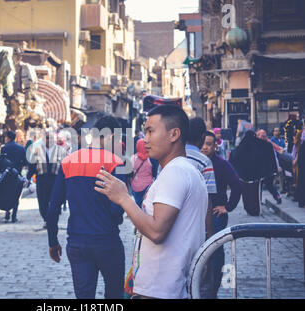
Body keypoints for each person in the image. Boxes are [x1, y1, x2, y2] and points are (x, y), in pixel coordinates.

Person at [95, 106, 208, 299]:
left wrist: (123, 198)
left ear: (174, 134)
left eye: (151, 131)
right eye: (145, 132)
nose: (145, 139)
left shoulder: (176, 172)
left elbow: (157, 231)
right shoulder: (183, 170)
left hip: (161, 289)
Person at [46, 115, 127, 299]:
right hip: (107, 241)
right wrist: (115, 219)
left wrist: (52, 241)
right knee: (114, 295)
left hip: (77, 243)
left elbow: (53, 208)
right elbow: (117, 208)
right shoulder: (115, 162)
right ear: (111, 137)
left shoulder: (68, 162)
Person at [201, 131, 242, 298]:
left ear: (215, 146)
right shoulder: (197, 162)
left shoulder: (221, 164)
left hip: (216, 214)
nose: (205, 147)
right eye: (203, 143)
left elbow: (237, 185)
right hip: (199, 215)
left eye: (209, 144)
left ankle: (213, 289)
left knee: (216, 251)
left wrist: (228, 207)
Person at [230, 130, 277, 216]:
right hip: (256, 175)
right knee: (255, 194)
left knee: (246, 194)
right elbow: (265, 154)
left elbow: (235, 159)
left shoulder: (241, 146)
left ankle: (248, 208)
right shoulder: (259, 145)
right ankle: (255, 210)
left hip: (243, 176)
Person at [27, 129, 67, 228]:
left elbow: (65, 167)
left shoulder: (61, 151)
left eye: (50, 138)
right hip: (42, 180)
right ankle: (46, 219)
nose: (48, 140)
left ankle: (53, 220)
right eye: (46, 138)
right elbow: (32, 165)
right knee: (43, 202)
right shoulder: (37, 150)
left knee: (55, 201)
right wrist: (28, 177)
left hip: (56, 180)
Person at [186, 117, 217, 239]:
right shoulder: (204, 162)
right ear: (203, 136)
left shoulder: (170, 158)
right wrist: (209, 232)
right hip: (195, 222)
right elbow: (208, 199)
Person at [0, 130, 27, 223]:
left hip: (6, 175)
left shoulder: (4, 148)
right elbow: (25, 162)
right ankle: (14, 216)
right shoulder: (21, 148)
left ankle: (7, 213)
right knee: (16, 195)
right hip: (17, 175)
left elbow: (1, 161)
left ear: (7, 137)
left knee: (7, 194)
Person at [256, 129, 282, 204]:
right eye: (262, 135)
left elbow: (274, 157)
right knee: (268, 185)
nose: (263, 137)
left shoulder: (265, 145)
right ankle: (277, 197)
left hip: (264, 169)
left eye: (264, 135)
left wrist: (277, 167)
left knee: (262, 186)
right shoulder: (268, 144)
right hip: (265, 169)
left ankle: (260, 200)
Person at [130, 139, 157, 208]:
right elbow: (154, 173)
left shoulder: (133, 158)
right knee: (146, 206)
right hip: (148, 186)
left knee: (138, 204)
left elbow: (130, 172)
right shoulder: (151, 158)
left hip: (135, 186)